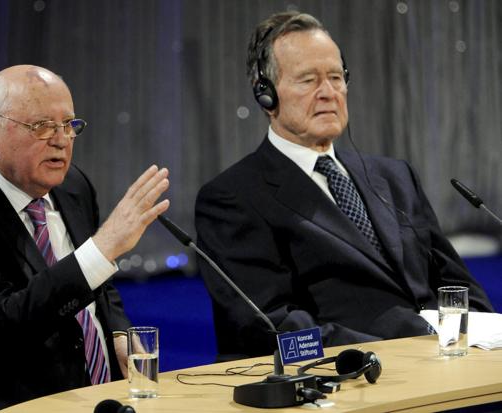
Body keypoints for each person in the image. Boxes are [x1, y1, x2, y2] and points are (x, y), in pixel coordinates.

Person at [195, 11, 493, 360]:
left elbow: (459, 287)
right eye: (308, 80)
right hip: (352, 379)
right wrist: (407, 346)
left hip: (449, 368)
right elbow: (273, 326)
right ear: (266, 96)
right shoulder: (233, 197)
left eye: (336, 77)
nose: (328, 93)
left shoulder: (395, 176)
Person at [0, 65, 170, 412]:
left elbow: (97, 285)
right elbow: (1, 324)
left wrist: (118, 333)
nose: (61, 139)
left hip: (88, 395)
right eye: (43, 126)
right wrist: (105, 246)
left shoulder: (72, 187)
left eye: (69, 125)